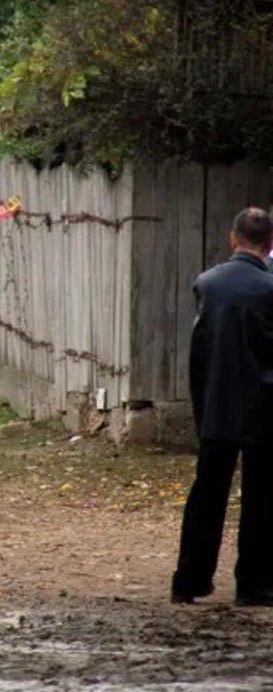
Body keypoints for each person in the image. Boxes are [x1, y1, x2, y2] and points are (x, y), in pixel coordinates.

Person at [172, 208, 273, 607]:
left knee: (208, 491)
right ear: (268, 246)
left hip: (217, 401)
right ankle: (255, 583)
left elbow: (200, 350)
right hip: (263, 405)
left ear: (233, 239)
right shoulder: (269, 289)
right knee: (262, 495)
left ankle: (189, 579)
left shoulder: (208, 284)